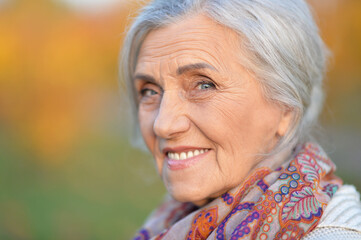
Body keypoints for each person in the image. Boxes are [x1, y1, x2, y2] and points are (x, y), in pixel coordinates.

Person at [120, 0, 361, 239]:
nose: (163, 124)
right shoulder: (173, 219)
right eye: (150, 91)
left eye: (203, 85)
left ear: (285, 107)